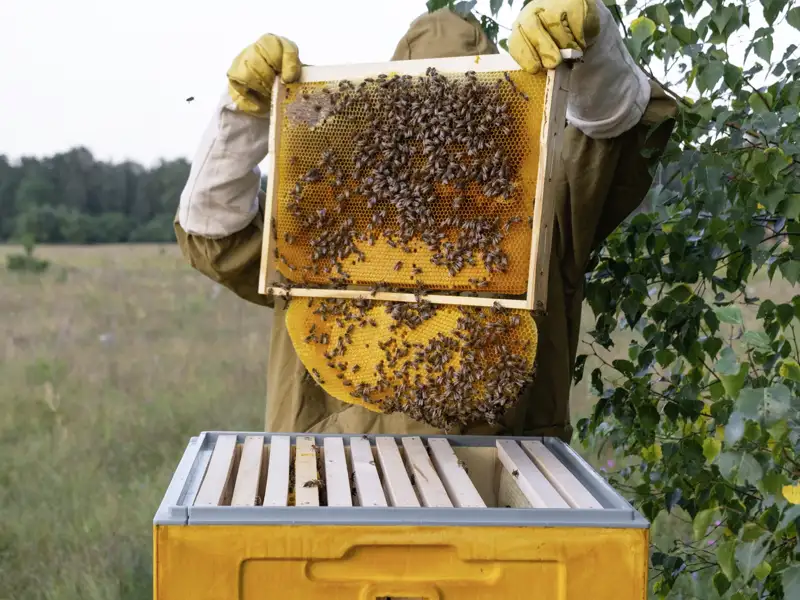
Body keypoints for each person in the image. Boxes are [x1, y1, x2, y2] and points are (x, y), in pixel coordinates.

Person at [174, 0, 677, 443]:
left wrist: (592, 50)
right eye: (424, 118)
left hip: (499, 492)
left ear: (510, 118)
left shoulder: (545, 213)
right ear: (388, 117)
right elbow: (216, 236)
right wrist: (241, 118)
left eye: (472, 119)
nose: (441, 152)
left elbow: (620, 133)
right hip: (328, 482)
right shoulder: (332, 222)